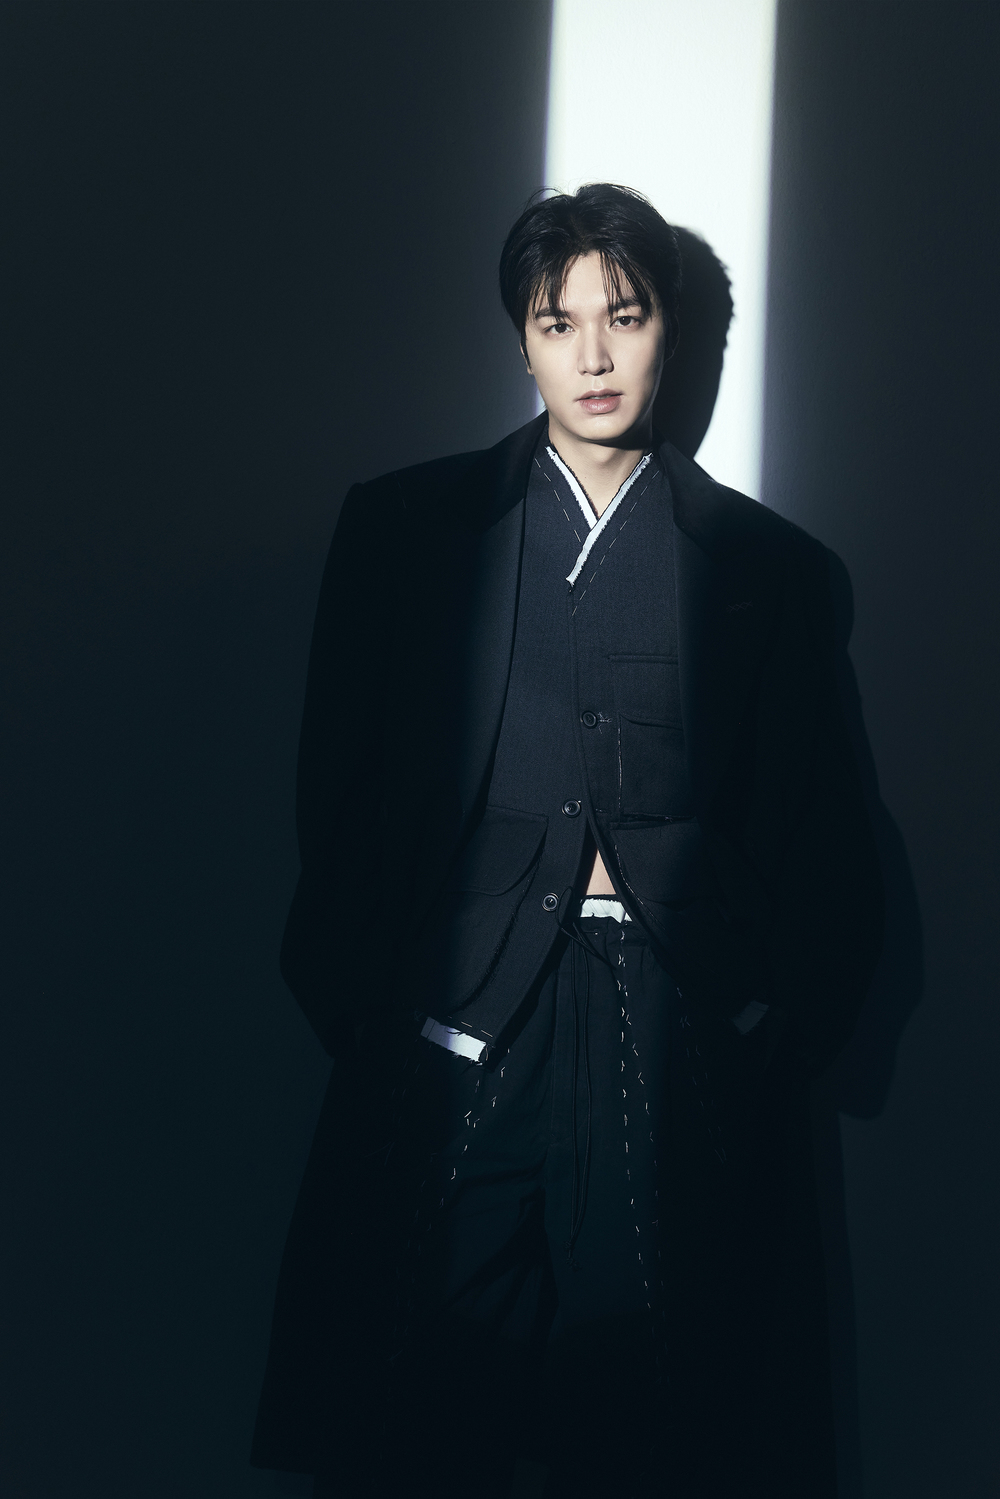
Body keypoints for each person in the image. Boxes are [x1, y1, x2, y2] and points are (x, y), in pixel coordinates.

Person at [251, 184, 883, 1499]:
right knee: (418, 1403)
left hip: (675, 1018)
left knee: (662, 1411)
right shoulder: (410, 531)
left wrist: (770, 1019)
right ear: (522, 340)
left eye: (625, 317)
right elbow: (340, 792)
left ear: (670, 335)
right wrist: (369, 1005)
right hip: (463, 1020)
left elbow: (819, 825)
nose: (594, 356)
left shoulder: (768, 567)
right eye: (558, 324)